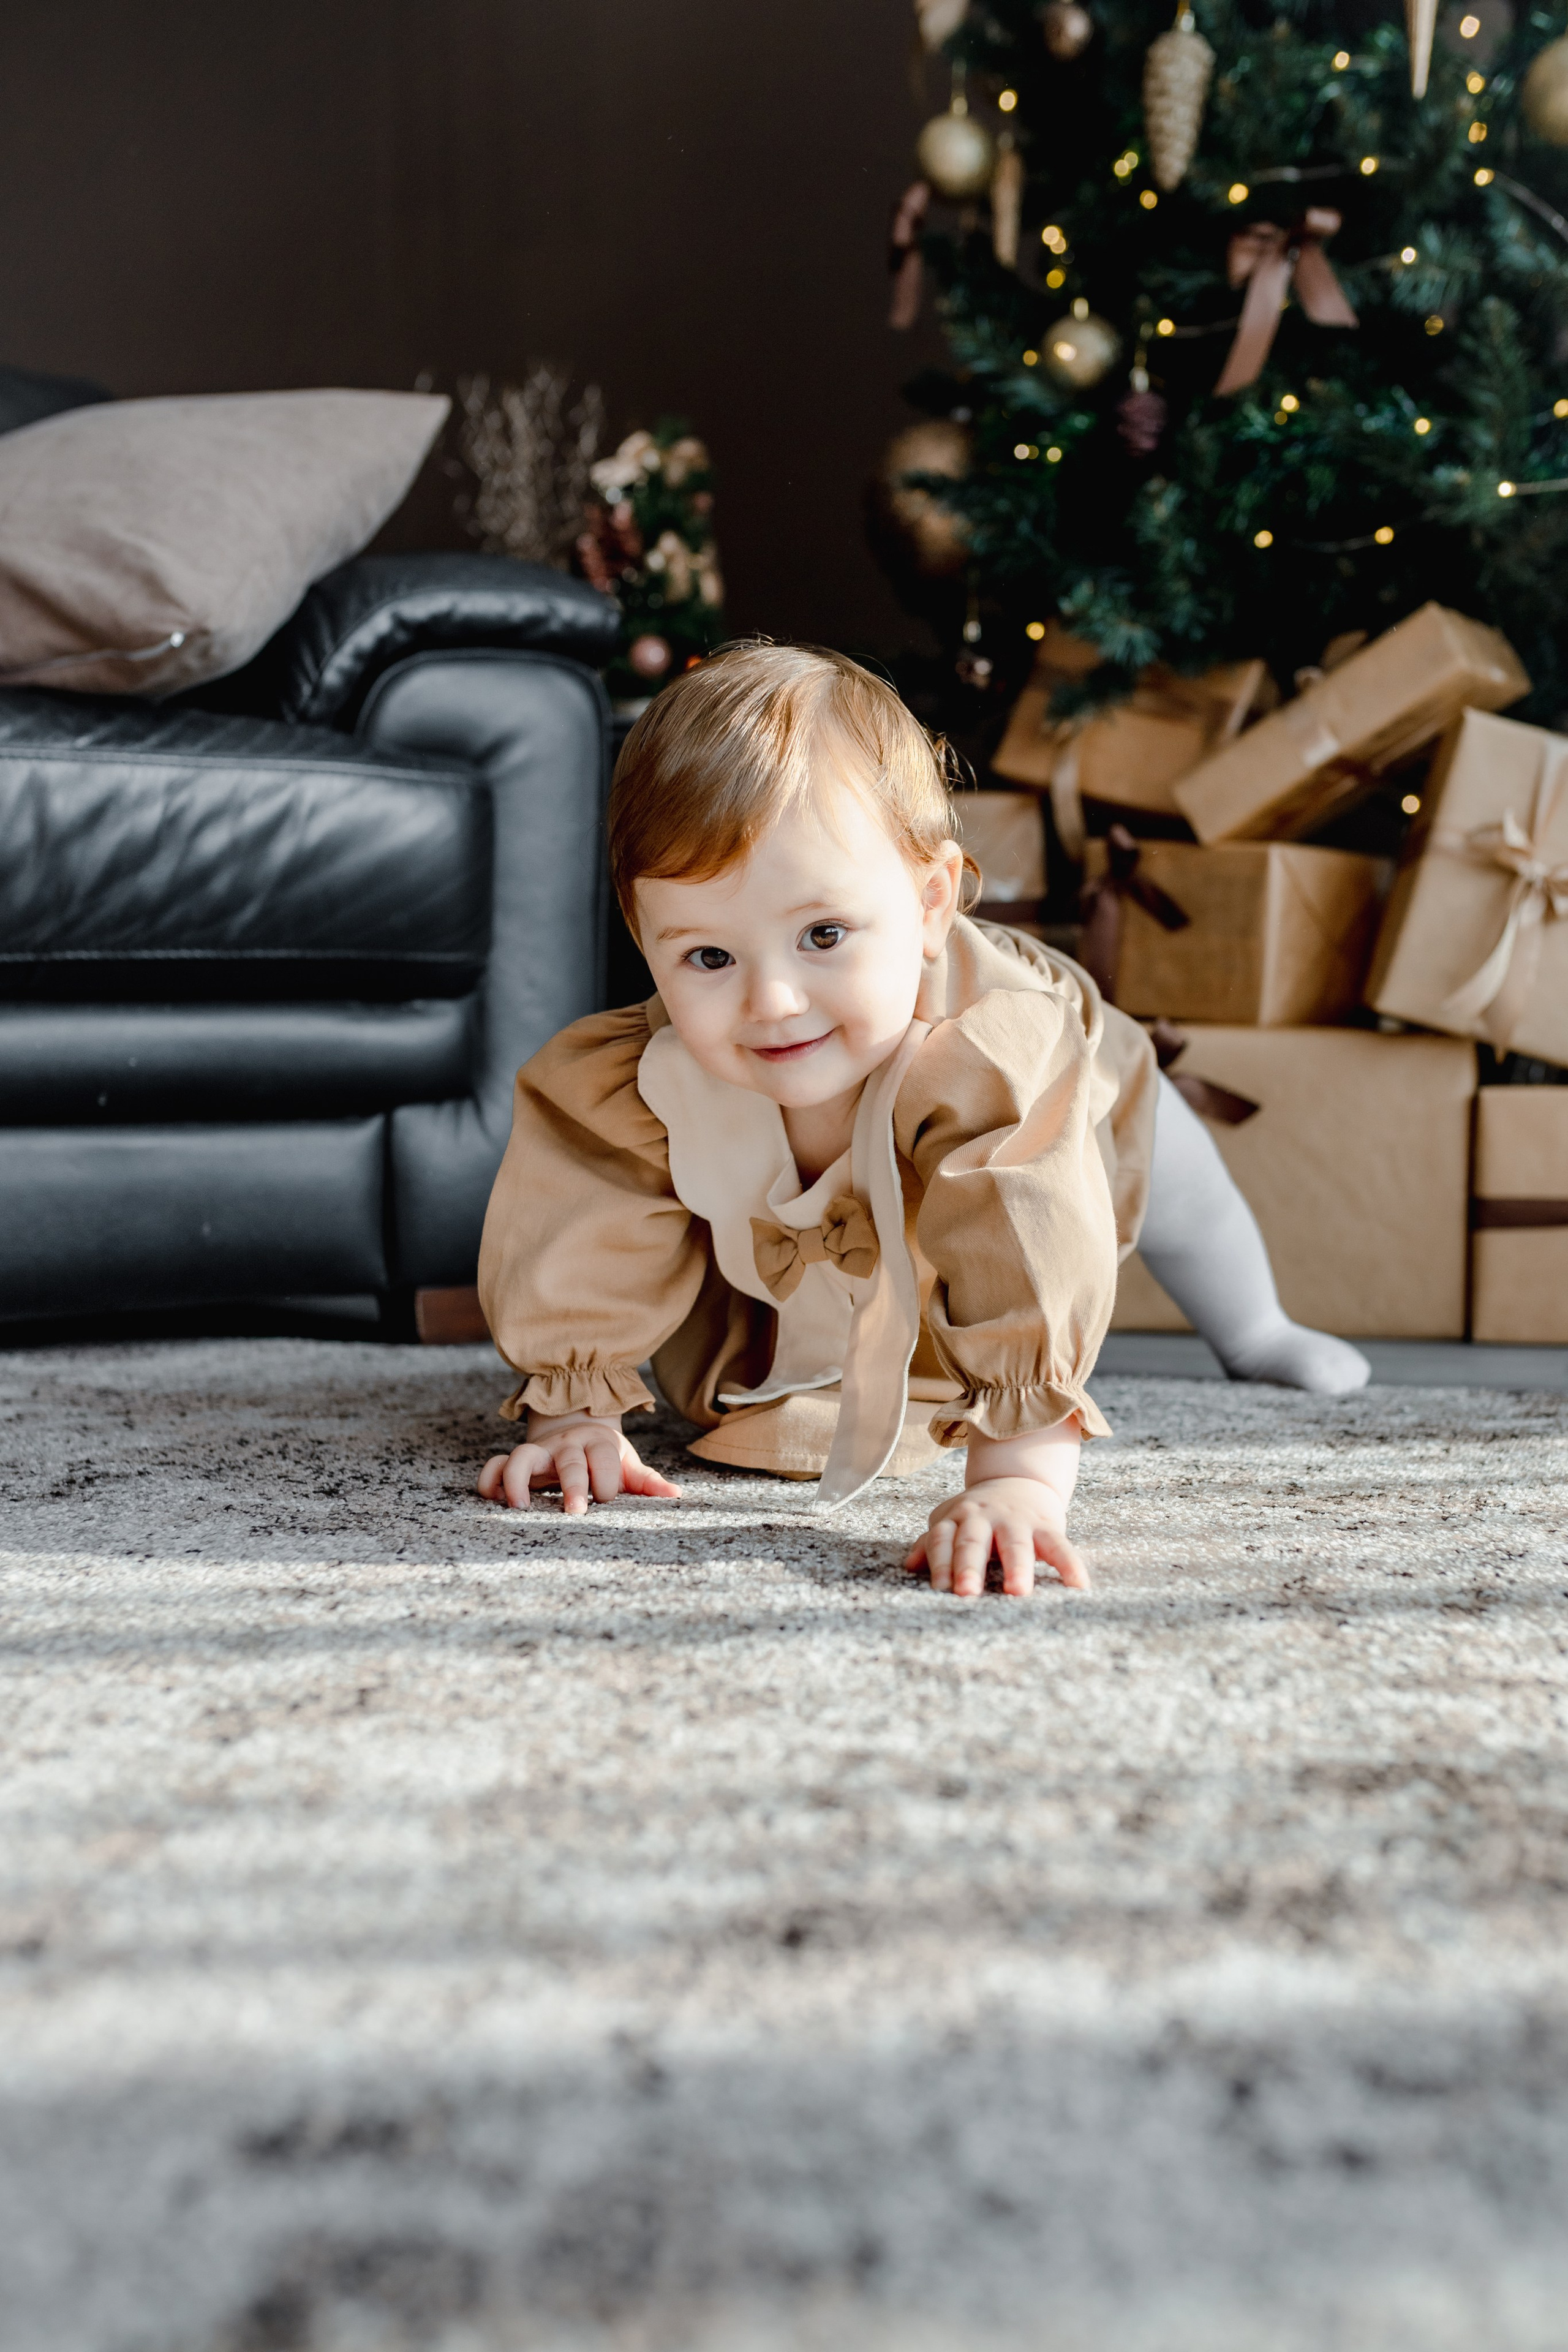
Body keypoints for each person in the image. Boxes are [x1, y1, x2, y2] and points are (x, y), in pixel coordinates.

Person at [477, 643, 1368, 1597]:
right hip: (823, 1209)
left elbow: (1028, 1235)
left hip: (1072, 1119)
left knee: (1179, 1189)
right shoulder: (647, 1078)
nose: (772, 1001)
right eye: (706, 956)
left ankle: (1258, 1326)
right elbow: (585, 1215)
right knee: (780, 1314)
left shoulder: (998, 1057)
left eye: (824, 936)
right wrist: (573, 1415)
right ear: (643, 936)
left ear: (932, 903)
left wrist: (1019, 1483)